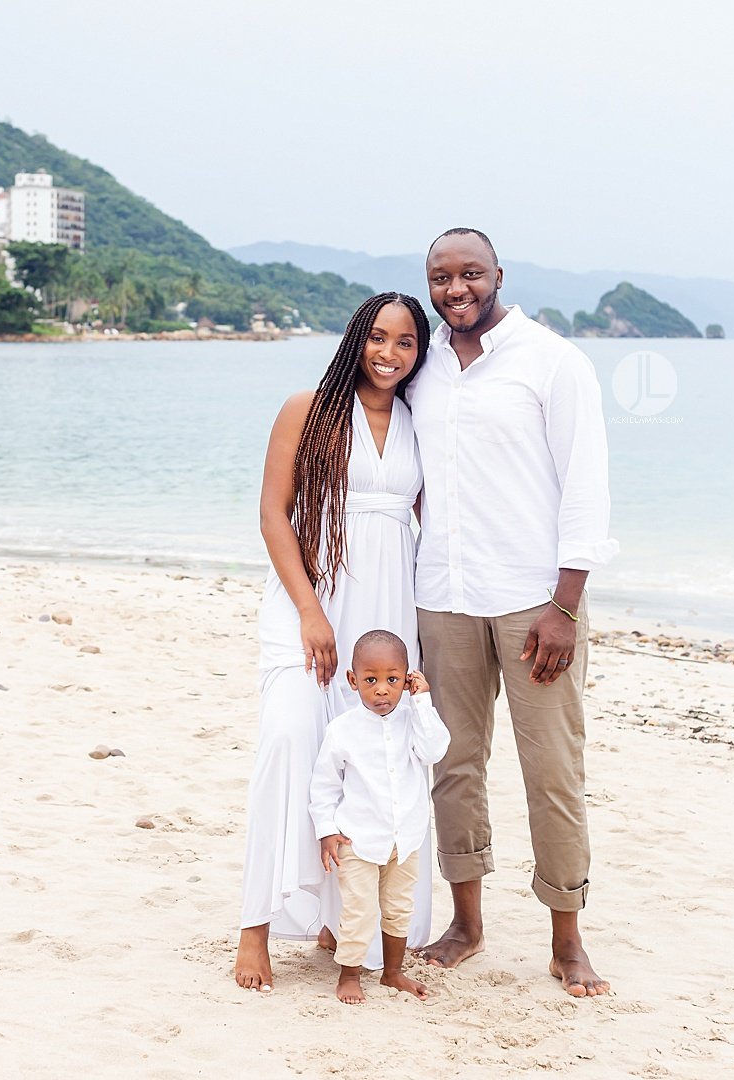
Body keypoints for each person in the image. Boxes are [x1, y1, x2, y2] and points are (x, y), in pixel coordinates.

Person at [406, 228, 618, 997]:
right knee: (452, 765)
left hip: (535, 602)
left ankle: (567, 939)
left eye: (470, 274)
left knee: (552, 772)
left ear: (499, 275)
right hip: (445, 596)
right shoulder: (422, 367)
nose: (455, 289)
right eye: (440, 277)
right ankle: (466, 923)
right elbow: (416, 474)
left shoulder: (553, 361)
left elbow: (586, 487)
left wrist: (565, 604)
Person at [234, 292, 432, 993]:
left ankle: (336, 918)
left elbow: (432, 522)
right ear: (357, 338)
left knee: (371, 761)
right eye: (378, 337)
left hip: (387, 610)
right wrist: (310, 610)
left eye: (405, 342)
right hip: (310, 604)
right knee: (290, 741)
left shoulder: (418, 422)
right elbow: (272, 513)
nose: (389, 353)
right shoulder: (308, 409)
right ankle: (255, 924)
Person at [309, 629, 450, 1004]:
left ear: (406, 680)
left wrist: (423, 702)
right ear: (354, 681)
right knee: (358, 910)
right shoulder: (342, 730)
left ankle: (392, 972)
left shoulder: (412, 721)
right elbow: (323, 786)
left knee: (400, 907)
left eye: (392, 679)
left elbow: (435, 750)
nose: (382, 689)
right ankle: (350, 973)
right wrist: (326, 831)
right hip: (357, 839)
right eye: (371, 680)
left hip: (405, 838)